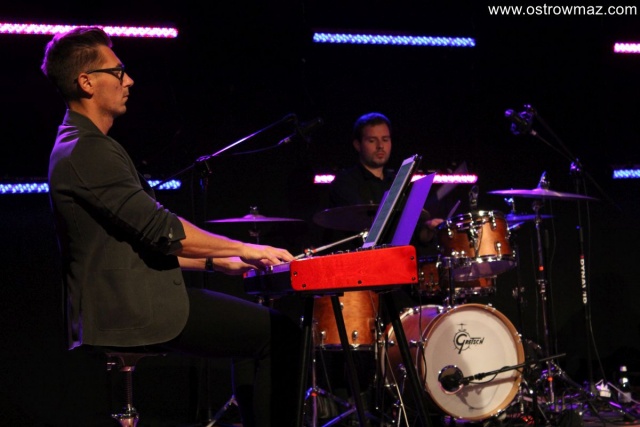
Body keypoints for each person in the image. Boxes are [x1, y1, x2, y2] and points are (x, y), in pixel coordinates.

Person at [41, 26, 301, 427]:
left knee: (262, 333)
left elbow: (134, 245)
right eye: (118, 71)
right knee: (282, 335)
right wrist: (245, 248)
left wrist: (215, 263)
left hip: (129, 298)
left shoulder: (82, 143)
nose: (129, 80)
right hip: (132, 308)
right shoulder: (87, 149)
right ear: (86, 82)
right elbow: (162, 230)